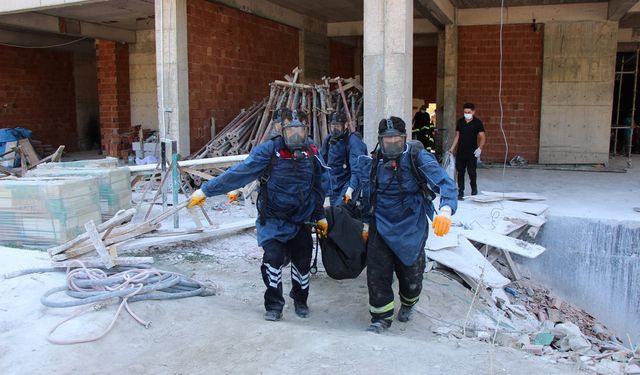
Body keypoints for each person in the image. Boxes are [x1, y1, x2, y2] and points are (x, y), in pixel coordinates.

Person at [188, 112, 328, 322]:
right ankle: (274, 305)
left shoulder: (311, 151)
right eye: (290, 129)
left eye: (300, 130)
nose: (295, 135)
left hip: (301, 218)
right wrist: (206, 190)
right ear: (281, 130)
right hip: (273, 218)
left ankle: (300, 300)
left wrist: (320, 215)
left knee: (303, 261)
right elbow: (240, 172)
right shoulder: (268, 150)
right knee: (273, 259)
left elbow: (320, 183)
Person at [347, 116, 458, 333]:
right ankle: (380, 318)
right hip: (381, 224)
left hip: (411, 226)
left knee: (411, 275)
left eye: (397, 139)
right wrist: (367, 225)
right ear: (380, 140)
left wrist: (446, 211)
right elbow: (369, 195)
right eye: (386, 140)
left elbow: (446, 184)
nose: (392, 144)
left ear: (405, 138)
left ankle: (409, 302)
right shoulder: (374, 162)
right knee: (377, 274)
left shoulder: (417, 157)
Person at [320, 111, 368, 206]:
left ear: (345, 125)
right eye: (332, 126)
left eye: (337, 126)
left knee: (342, 208)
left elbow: (357, 170)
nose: (335, 129)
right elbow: (322, 163)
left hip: (349, 185)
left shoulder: (353, 141)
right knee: (331, 213)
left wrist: (351, 189)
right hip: (333, 186)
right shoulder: (329, 140)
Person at [449, 102, 486, 199]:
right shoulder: (460, 122)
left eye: (469, 112)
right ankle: (460, 192)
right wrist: (452, 148)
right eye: (465, 112)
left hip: (472, 152)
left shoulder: (478, 123)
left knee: (472, 172)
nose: (467, 114)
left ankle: (474, 189)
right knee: (460, 173)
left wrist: (480, 148)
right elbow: (457, 136)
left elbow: (482, 137)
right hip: (460, 152)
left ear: (473, 112)